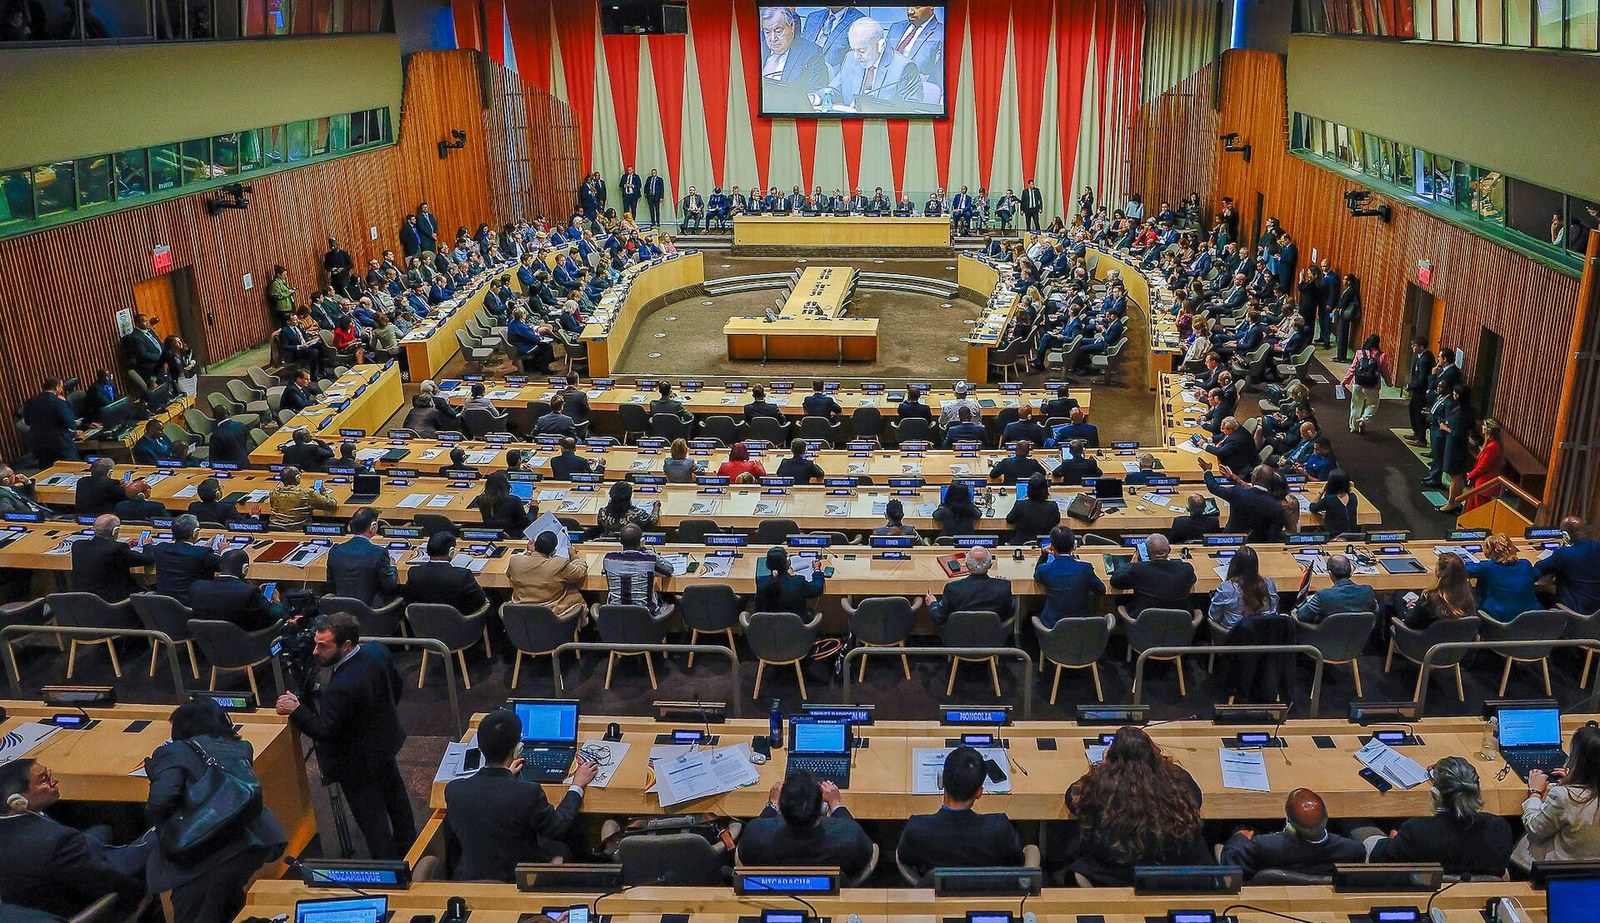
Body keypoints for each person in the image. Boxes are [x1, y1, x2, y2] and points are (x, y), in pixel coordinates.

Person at [276, 612, 415, 859]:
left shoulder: (341, 687)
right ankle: (411, 848)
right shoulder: (377, 651)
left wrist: (297, 709)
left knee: (373, 822)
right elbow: (396, 685)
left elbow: (324, 731)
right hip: (385, 743)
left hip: (356, 763)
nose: (315, 651)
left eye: (323, 646)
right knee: (397, 801)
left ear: (347, 645)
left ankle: (389, 868)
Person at [145, 698, 287, 922]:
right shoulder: (241, 747)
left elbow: (161, 800)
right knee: (227, 905)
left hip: (203, 857)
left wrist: (156, 773)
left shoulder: (173, 752)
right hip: (251, 845)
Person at [444, 707, 597, 881]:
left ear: (480, 747)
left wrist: (506, 774)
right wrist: (577, 785)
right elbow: (558, 827)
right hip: (517, 878)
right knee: (562, 848)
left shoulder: (454, 790)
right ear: (518, 749)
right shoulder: (528, 793)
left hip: (470, 876)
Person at [0, 758, 152, 918]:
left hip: (37, 895)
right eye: (44, 780)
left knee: (103, 828)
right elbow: (110, 881)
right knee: (158, 836)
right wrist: (143, 895)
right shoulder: (56, 842)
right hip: (83, 906)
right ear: (17, 801)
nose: (55, 781)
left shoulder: (16, 826)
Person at [1065, 725, 1207, 885]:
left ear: (1111, 755)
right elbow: (1197, 799)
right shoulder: (1178, 780)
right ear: (1153, 752)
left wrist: (1100, 768)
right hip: (1173, 873)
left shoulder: (1099, 784)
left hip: (1118, 873)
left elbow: (1072, 798)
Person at [1366, 756, 1513, 878]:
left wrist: (1396, 841)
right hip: (1479, 898)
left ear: (1436, 794)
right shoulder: (1499, 828)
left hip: (1423, 896)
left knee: (1357, 825)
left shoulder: (1417, 831)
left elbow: (1379, 858)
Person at [896, 746, 1023, 883]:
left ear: (942, 781)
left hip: (935, 896)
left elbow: (904, 858)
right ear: (979, 793)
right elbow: (1017, 861)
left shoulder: (917, 829)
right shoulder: (1000, 828)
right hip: (989, 896)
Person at [738, 769, 875, 880]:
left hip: (772, 894)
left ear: (782, 808)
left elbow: (744, 853)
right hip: (831, 895)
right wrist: (835, 803)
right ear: (820, 808)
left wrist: (772, 804)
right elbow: (866, 854)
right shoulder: (849, 836)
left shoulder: (755, 835)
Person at [1221, 788, 1364, 881]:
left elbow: (1231, 864)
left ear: (1289, 822)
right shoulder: (1354, 850)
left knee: (1217, 842)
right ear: (1327, 818)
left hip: (1270, 900)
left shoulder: (1264, 846)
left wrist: (1239, 838)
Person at [1515, 724, 1600, 869]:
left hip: (1557, 871)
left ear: (1578, 760)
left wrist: (1534, 793)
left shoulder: (1565, 796)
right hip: (1592, 871)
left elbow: (1535, 829)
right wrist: (1573, 779)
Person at [189, 549, 284, 632]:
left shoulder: (197, 587)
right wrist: (276, 601)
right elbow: (271, 616)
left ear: (221, 567)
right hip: (246, 642)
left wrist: (254, 590)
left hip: (205, 644)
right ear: (245, 569)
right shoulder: (248, 593)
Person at [1109, 534, 1196, 618]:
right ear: (1169, 550)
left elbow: (1115, 581)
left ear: (1146, 551)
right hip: (1180, 625)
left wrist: (1131, 564)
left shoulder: (1138, 569)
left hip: (1144, 625)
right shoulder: (1186, 569)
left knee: (1121, 600)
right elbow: (1193, 579)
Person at [1033, 525, 1103, 628]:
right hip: (1083, 627)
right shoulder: (1085, 568)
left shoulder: (1044, 569)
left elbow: (1037, 576)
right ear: (1073, 546)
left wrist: (1044, 554)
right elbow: (1101, 590)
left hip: (1053, 628)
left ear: (1052, 547)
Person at [1200, 460, 1287, 543]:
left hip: (1231, 542)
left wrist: (1207, 471)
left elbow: (1214, 487)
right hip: (1260, 548)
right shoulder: (1277, 507)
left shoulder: (1238, 493)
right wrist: (1233, 478)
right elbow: (1273, 536)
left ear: (1254, 478)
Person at [923, 545, 1013, 626]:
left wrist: (932, 603)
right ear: (990, 565)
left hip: (958, 637)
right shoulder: (1004, 586)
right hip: (993, 636)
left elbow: (939, 617)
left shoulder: (953, 588)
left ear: (966, 565)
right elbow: (1010, 613)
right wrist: (1002, 584)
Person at [70, 513, 149, 603]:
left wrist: (124, 545)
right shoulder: (118, 549)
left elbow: (102, 551)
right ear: (115, 531)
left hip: (83, 601)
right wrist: (147, 545)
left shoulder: (77, 545)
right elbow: (147, 559)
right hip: (114, 601)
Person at [405, 530, 490, 613]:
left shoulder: (414, 573)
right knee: (493, 597)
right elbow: (480, 601)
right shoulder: (463, 575)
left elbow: (408, 599)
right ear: (451, 552)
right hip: (460, 624)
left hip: (422, 624)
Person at [327, 507, 398, 606]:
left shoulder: (335, 551)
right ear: (373, 527)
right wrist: (392, 567)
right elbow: (390, 586)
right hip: (371, 613)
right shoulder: (379, 553)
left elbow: (330, 587)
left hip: (341, 611)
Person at [508, 529, 588, 614]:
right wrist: (573, 555)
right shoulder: (558, 564)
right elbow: (581, 572)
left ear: (535, 545)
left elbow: (509, 573)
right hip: (553, 617)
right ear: (553, 551)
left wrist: (529, 552)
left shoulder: (515, 561)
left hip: (521, 616)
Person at [1466, 532, 1540, 623]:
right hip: (1531, 622)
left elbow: (1461, 569)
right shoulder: (1525, 564)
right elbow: (1537, 574)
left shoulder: (1486, 567)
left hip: (1497, 622)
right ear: (1512, 548)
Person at [602, 523, 674, 614]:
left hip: (614, 616)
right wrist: (648, 552)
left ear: (620, 541)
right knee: (670, 601)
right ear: (641, 541)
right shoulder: (649, 559)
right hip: (647, 618)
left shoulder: (608, 558)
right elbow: (669, 569)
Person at [150, 514, 220, 603]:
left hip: (163, 605)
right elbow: (227, 565)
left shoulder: (160, 548)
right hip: (193, 605)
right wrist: (225, 550)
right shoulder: (203, 553)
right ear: (195, 532)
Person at [1399, 553, 1478, 629]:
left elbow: (1410, 622)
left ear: (1438, 572)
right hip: (1460, 640)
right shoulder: (1470, 596)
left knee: (1399, 596)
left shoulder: (1430, 598)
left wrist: (1411, 607)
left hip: (1426, 640)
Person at [1209, 544, 1278, 629]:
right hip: (1264, 637)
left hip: (1232, 638)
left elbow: (1214, 616)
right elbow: (1273, 613)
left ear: (1235, 565)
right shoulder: (1269, 584)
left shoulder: (1227, 588)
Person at [1294, 553, 1376, 623]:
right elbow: (1375, 613)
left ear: (1330, 574)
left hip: (1324, 638)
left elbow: (1301, 616)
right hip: (1359, 638)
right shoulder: (1367, 591)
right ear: (1351, 572)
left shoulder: (1323, 596)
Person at [23, 377, 80, 466]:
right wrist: (65, 403)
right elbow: (70, 422)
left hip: (40, 445)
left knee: (49, 473)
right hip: (61, 444)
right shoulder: (59, 402)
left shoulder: (30, 402)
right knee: (73, 468)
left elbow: (27, 421)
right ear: (57, 387)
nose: (61, 390)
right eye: (61, 387)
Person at [754, 546, 825, 615]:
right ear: (788, 563)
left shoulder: (761, 582)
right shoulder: (798, 582)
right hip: (797, 625)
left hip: (768, 625)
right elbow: (818, 588)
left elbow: (758, 608)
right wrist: (817, 570)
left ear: (767, 565)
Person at [1457, 418, 1506, 514]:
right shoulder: (1490, 444)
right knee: (1471, 508)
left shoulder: (1493, 447)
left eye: (1484, 426)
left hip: (1483, 485)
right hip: (1480, 484)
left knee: (1477, 511)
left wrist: (1469, 475)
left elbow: (1482, 467)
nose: (1482, 427)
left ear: (1489, 430)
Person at [1341, 333, 1385, 433]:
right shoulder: (1381, 356)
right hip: (1372, 385)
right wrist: (1389, 382)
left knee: (1356, 404)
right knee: (1373, 403)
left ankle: (1353, 427)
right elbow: (1384, 371)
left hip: (1358, 383)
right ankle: (1363, 419)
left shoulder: (1359, 353)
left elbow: (1352, 368)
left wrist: (1345, 381)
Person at [267, 465, 336, 529]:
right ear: (297, 478)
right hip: (298, 530)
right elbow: (331, 505)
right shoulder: (307, 494)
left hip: (275, 528)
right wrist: (324, 492)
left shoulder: (274, 493)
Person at [1005, 473, 1060, 544]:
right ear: (1046, 490)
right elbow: (1057, 520)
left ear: (1028, 489)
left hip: (1022, 544)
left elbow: (1009, 520)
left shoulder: (1020, 505)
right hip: (1045, 544)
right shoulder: (1053, 506)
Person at [474, 471, 532, 536]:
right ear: (506, 486)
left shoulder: (481, 500)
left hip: (492, 536)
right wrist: (533, 508)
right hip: (512, 537)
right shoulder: (514, 501)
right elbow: (527, 524)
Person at [1308, 468, 1359, 536]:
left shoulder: (1329, 500)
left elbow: (1312, 507)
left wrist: (1322, 491)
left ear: (1331, 484)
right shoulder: (1353, 497)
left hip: (1335, 537)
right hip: (1354, 537)